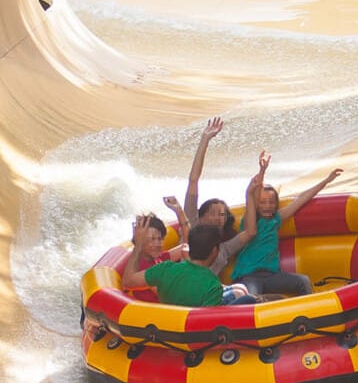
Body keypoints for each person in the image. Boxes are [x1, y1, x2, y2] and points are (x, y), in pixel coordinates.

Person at [232, 164, 344, 296]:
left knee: (303, 281)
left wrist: (326, 180)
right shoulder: (251, 220)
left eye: (271, 202)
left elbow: (301, 200)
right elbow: (252, 200)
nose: (267, 206)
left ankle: (310, 312)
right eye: (263, 202)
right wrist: (262, 171)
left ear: (276, 204)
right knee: (251, 299)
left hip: (272, 276)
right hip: (249, 276)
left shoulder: (276, 219)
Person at [184, 116, 261, 276]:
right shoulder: (192, 225)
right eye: (212, 213)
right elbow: (193, 180)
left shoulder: (224, 248)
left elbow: (250, 232)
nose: (218, 218)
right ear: (201, 216)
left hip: (209, 294)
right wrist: (205, 139)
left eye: (222, 214)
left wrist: (250, 193)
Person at [122, 219, 257, 307]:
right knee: (249, 300)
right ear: (215, 251)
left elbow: (127, 281)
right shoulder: (212, 285)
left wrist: (138, 245)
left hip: (174, 316)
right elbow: (210, 324)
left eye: (159, 239)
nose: (157, 244)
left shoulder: (163, 268)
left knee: (241, 290)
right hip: (191, 331)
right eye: (151, 239)